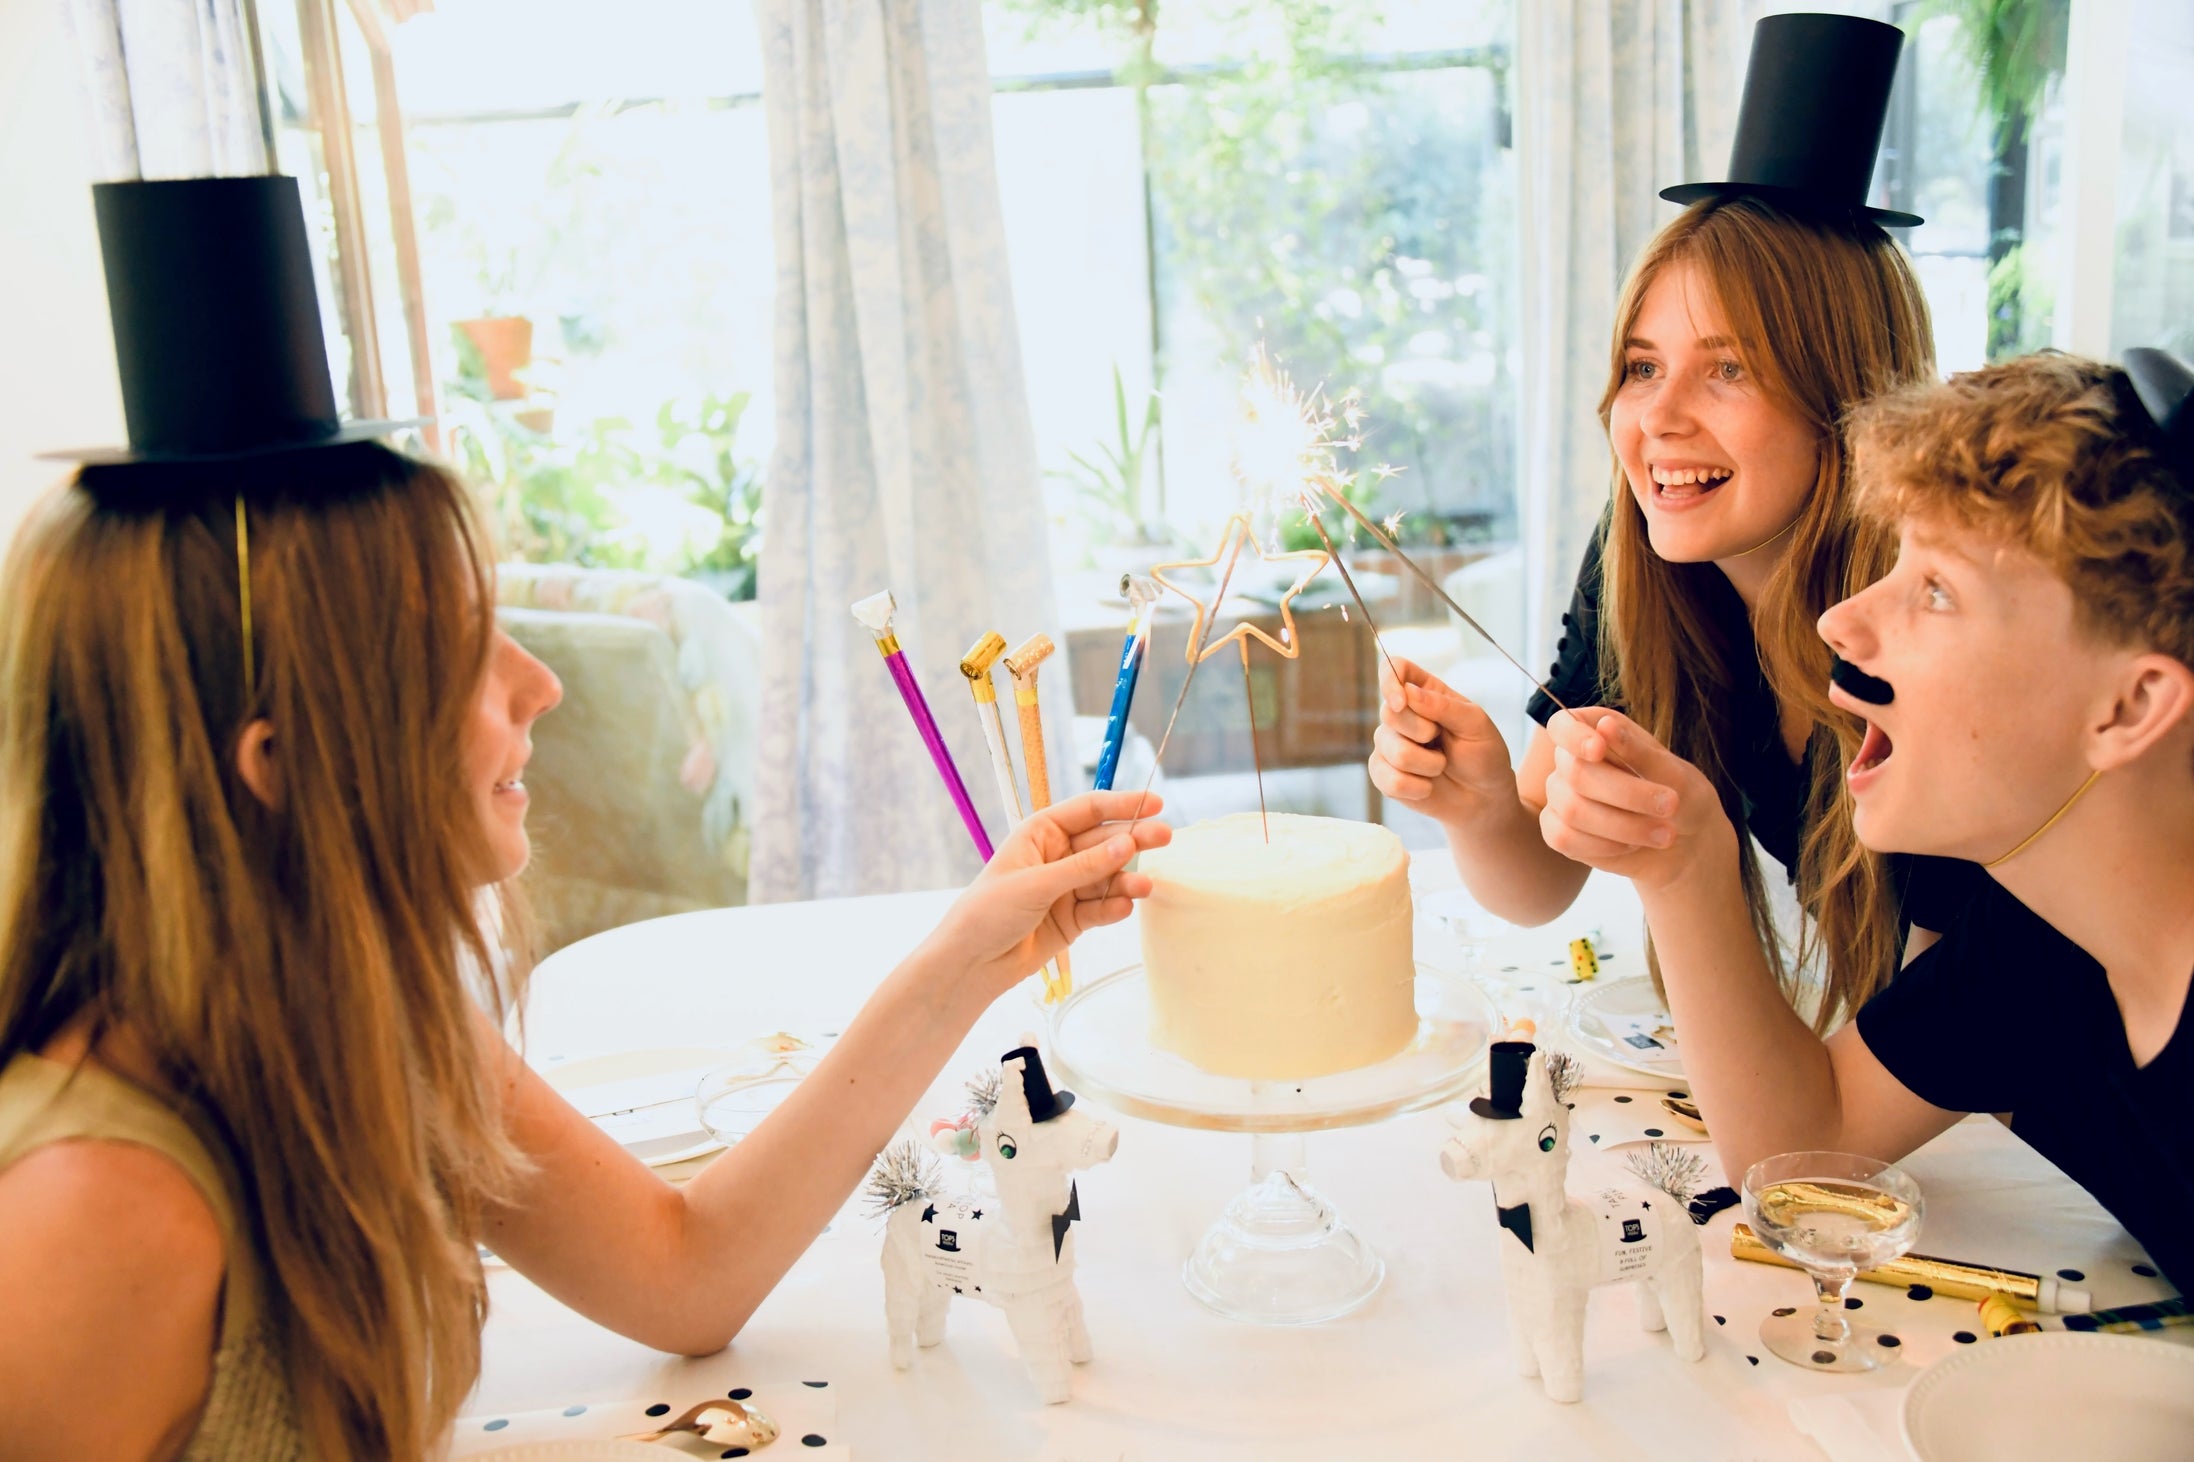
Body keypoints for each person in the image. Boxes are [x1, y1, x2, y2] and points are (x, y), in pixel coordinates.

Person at [0, 177, 1172, 1462]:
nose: (539, 686)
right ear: (277, 765)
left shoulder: (357, 1015)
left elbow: (682, 1274)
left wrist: (968, 956)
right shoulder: (91, 1217)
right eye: (456, 652)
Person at [1371, 13, 1976, 1026]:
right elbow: (1540, 882)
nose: (1655, 417)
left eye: (1728, 369)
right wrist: (1473, 804)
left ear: (1851, 397)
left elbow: (1972, 1045)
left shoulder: (1940, 644)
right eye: (1642, 366)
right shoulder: (1641, 564)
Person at [1594, 348, 2194, 1289]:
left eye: (1939, 592)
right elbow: (1804, 1148)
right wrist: (1682, 861)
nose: (1842, 621)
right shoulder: (2045, 941)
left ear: (2129, 708)